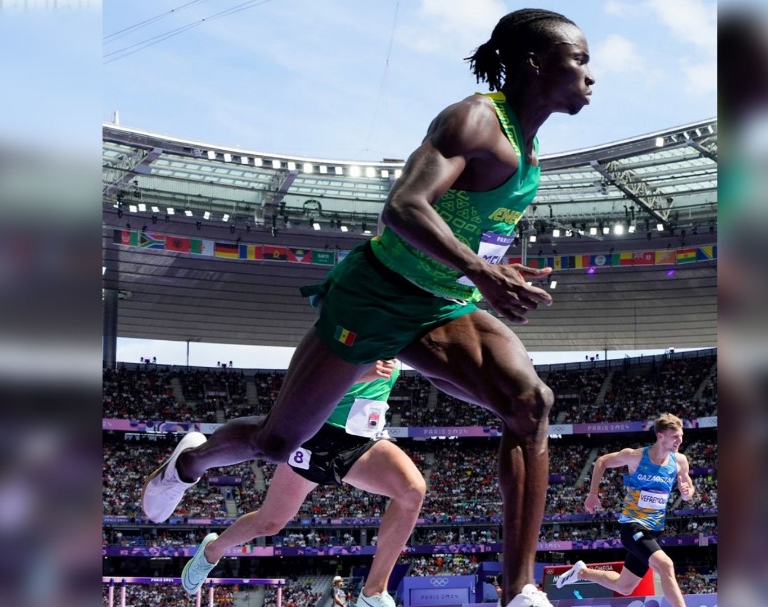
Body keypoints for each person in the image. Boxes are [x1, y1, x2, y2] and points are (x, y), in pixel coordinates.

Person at [142, 9, 595, 606]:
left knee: (529, 403)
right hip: (377, 295)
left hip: (442, 304)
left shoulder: (530, 149)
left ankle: (521, 591)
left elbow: (475, 229)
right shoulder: (477, 121)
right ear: (537, 63)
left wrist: (491, 268)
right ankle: (190, 463)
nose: (591, 76)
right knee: (278, 442)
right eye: (581, 60)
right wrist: (483, 271)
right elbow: (404, 208)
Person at [180, 361, 422, 607]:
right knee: (269, 522)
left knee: (412, 491)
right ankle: (212, 550)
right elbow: (305, 383)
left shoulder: (402, 338)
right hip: (316, 437)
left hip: (362, 441)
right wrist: (355, 375)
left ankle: (373, 593)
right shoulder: (349, 332)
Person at [555, 414, 696, 607]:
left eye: (680, 436)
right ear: (660, 436)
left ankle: (581, 572)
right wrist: (593, 494)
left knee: (624, 586)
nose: (679, 440)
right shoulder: (635, 456)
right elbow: (602, 461)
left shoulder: (680, 461)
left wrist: (687, 493)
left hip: (654, 530)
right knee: (666, 565)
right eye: (675, 436)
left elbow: (688, 490)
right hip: (632, 526)